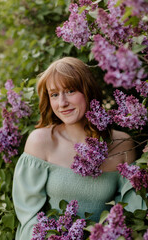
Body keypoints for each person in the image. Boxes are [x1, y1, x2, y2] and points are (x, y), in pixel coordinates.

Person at [12, 57, 145, 240]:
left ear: (88, 91)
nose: (62, 103)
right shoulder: (41, 141)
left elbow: (133, 213)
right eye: (54, 95)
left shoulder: (122, 144)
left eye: (70, 91)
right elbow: (28, 217)